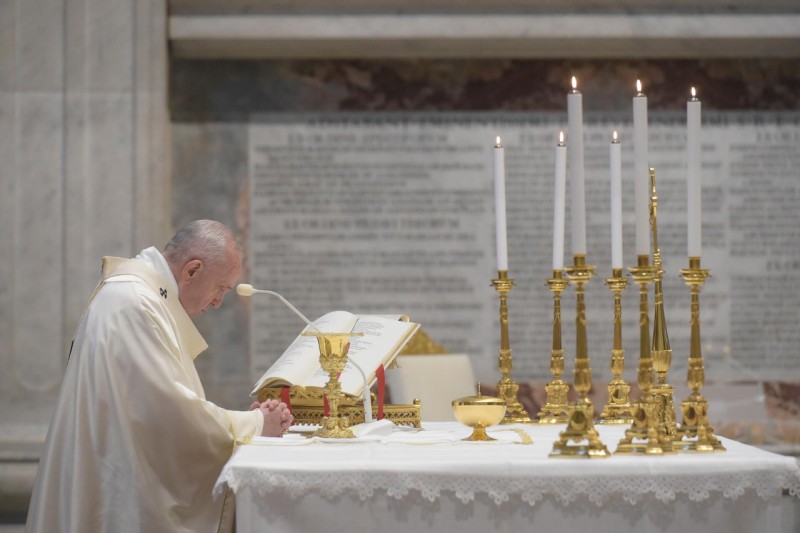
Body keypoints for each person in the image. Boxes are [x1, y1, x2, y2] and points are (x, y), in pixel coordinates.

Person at [26, 220, 292, 533]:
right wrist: (256, 424)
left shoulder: (138, 296)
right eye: (220, 289)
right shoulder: (136, 304)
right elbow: (169, 416)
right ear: (192, 270)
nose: (218, 303)